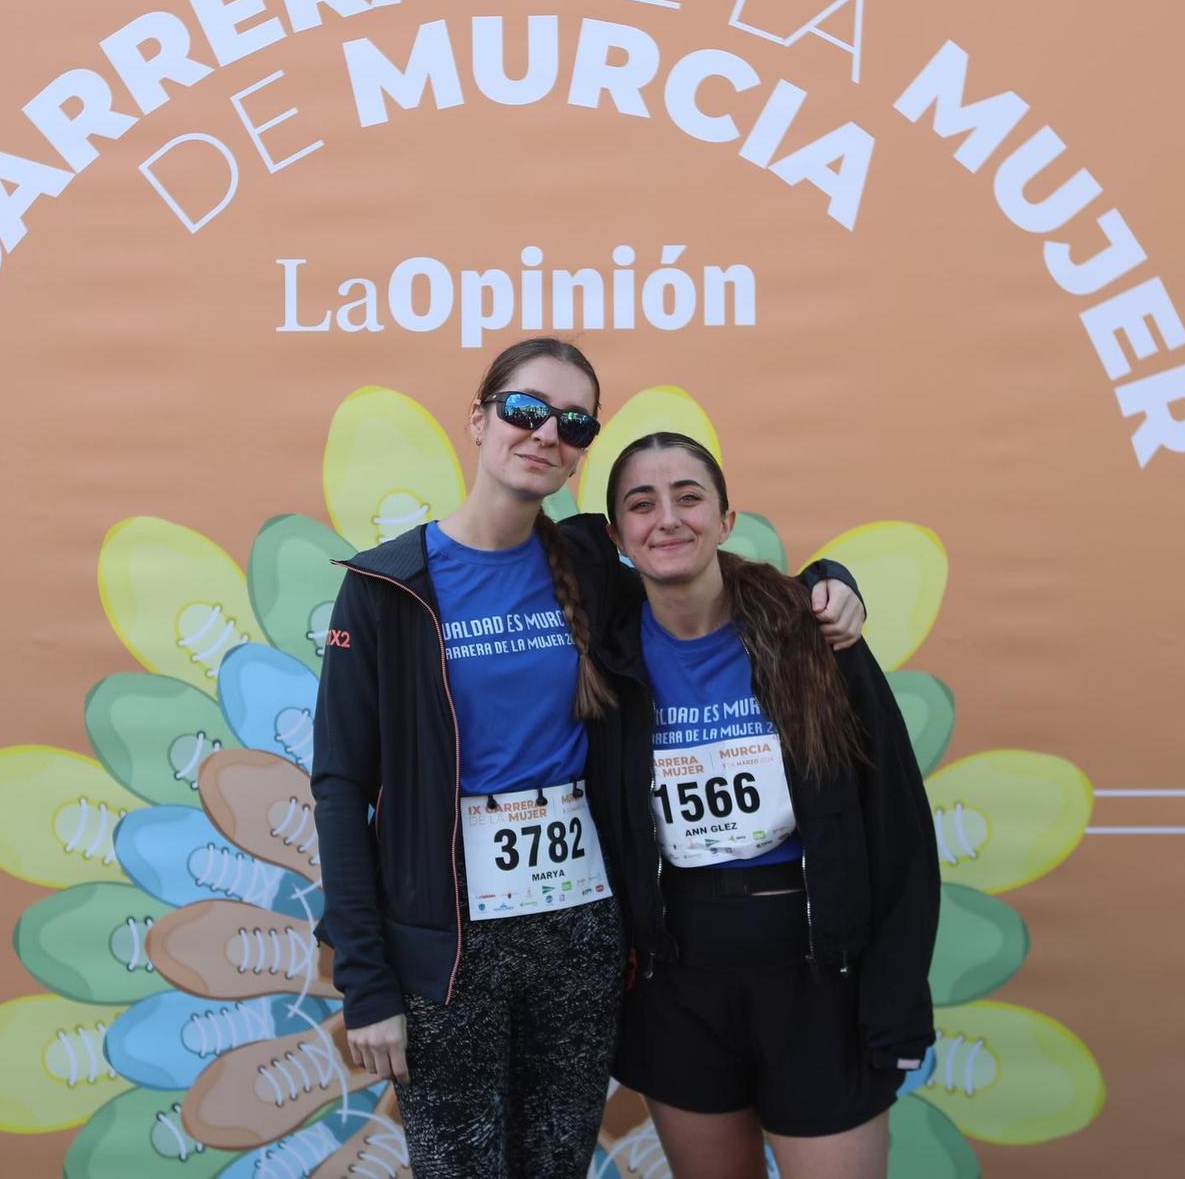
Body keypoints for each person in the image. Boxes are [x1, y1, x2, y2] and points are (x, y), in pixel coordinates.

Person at [311, 339, 866, 1177]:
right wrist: (367, 981)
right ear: (478, 418)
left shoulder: (592, 566)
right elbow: (341, 786)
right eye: (525, 410)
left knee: (556, 1164)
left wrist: (829, 577)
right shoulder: (389, 589)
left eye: (572, 422)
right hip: (451, 943)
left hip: (583, 933)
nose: (544, 434)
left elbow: (711, 580)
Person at [597, 432, 939, 1179]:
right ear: (619, 536)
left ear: (726, 518)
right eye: (641, 503)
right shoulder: (606, 657)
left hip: (819, 980)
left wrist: (897, 997)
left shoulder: (812, 633)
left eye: (689, 496)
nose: (667, 518)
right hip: (679, 984)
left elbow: (898, 823)